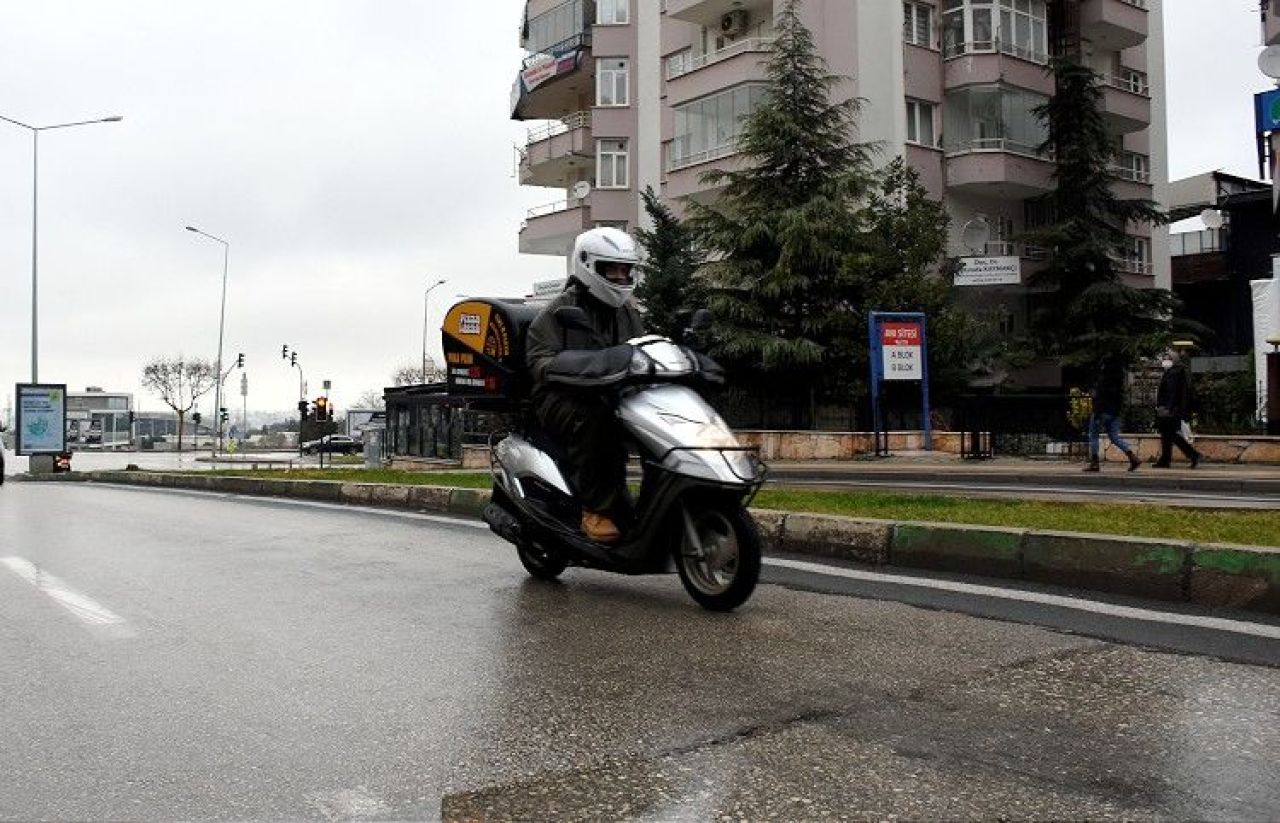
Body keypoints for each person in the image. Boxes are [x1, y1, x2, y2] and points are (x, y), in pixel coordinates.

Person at [525, 227, 645, 544]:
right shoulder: (557, 313)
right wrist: (572, 366)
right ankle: (597, 510)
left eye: (625, 269)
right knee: (600, 420)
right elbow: (540, 361)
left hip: (613, 394)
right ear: (589, 266)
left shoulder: (628, 315)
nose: (620, 277)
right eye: (612, 269)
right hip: (560, 398)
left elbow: (644, 348)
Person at [1084, 353, 1140, 472]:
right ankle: (1132, 456)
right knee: (1115, 437)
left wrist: (1097, 413)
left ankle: (1094, 462)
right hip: (1114, 412)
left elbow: (1100, 398)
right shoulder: (1118, 381)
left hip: (1101, 411)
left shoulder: (1103, 380)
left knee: (1093, 435)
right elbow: (1120, 398)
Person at [1153, 351, 1201, 469]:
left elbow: (1172, 392)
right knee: (1168, 435)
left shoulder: (1173, 373)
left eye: (1167, 358)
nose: (1165, 361)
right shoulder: (1174, 372)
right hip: (1170, 408)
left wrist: (1167, 407)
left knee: (1170, 434)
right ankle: (1166, 459)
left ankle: (1192, 454)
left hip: (1169, 409)